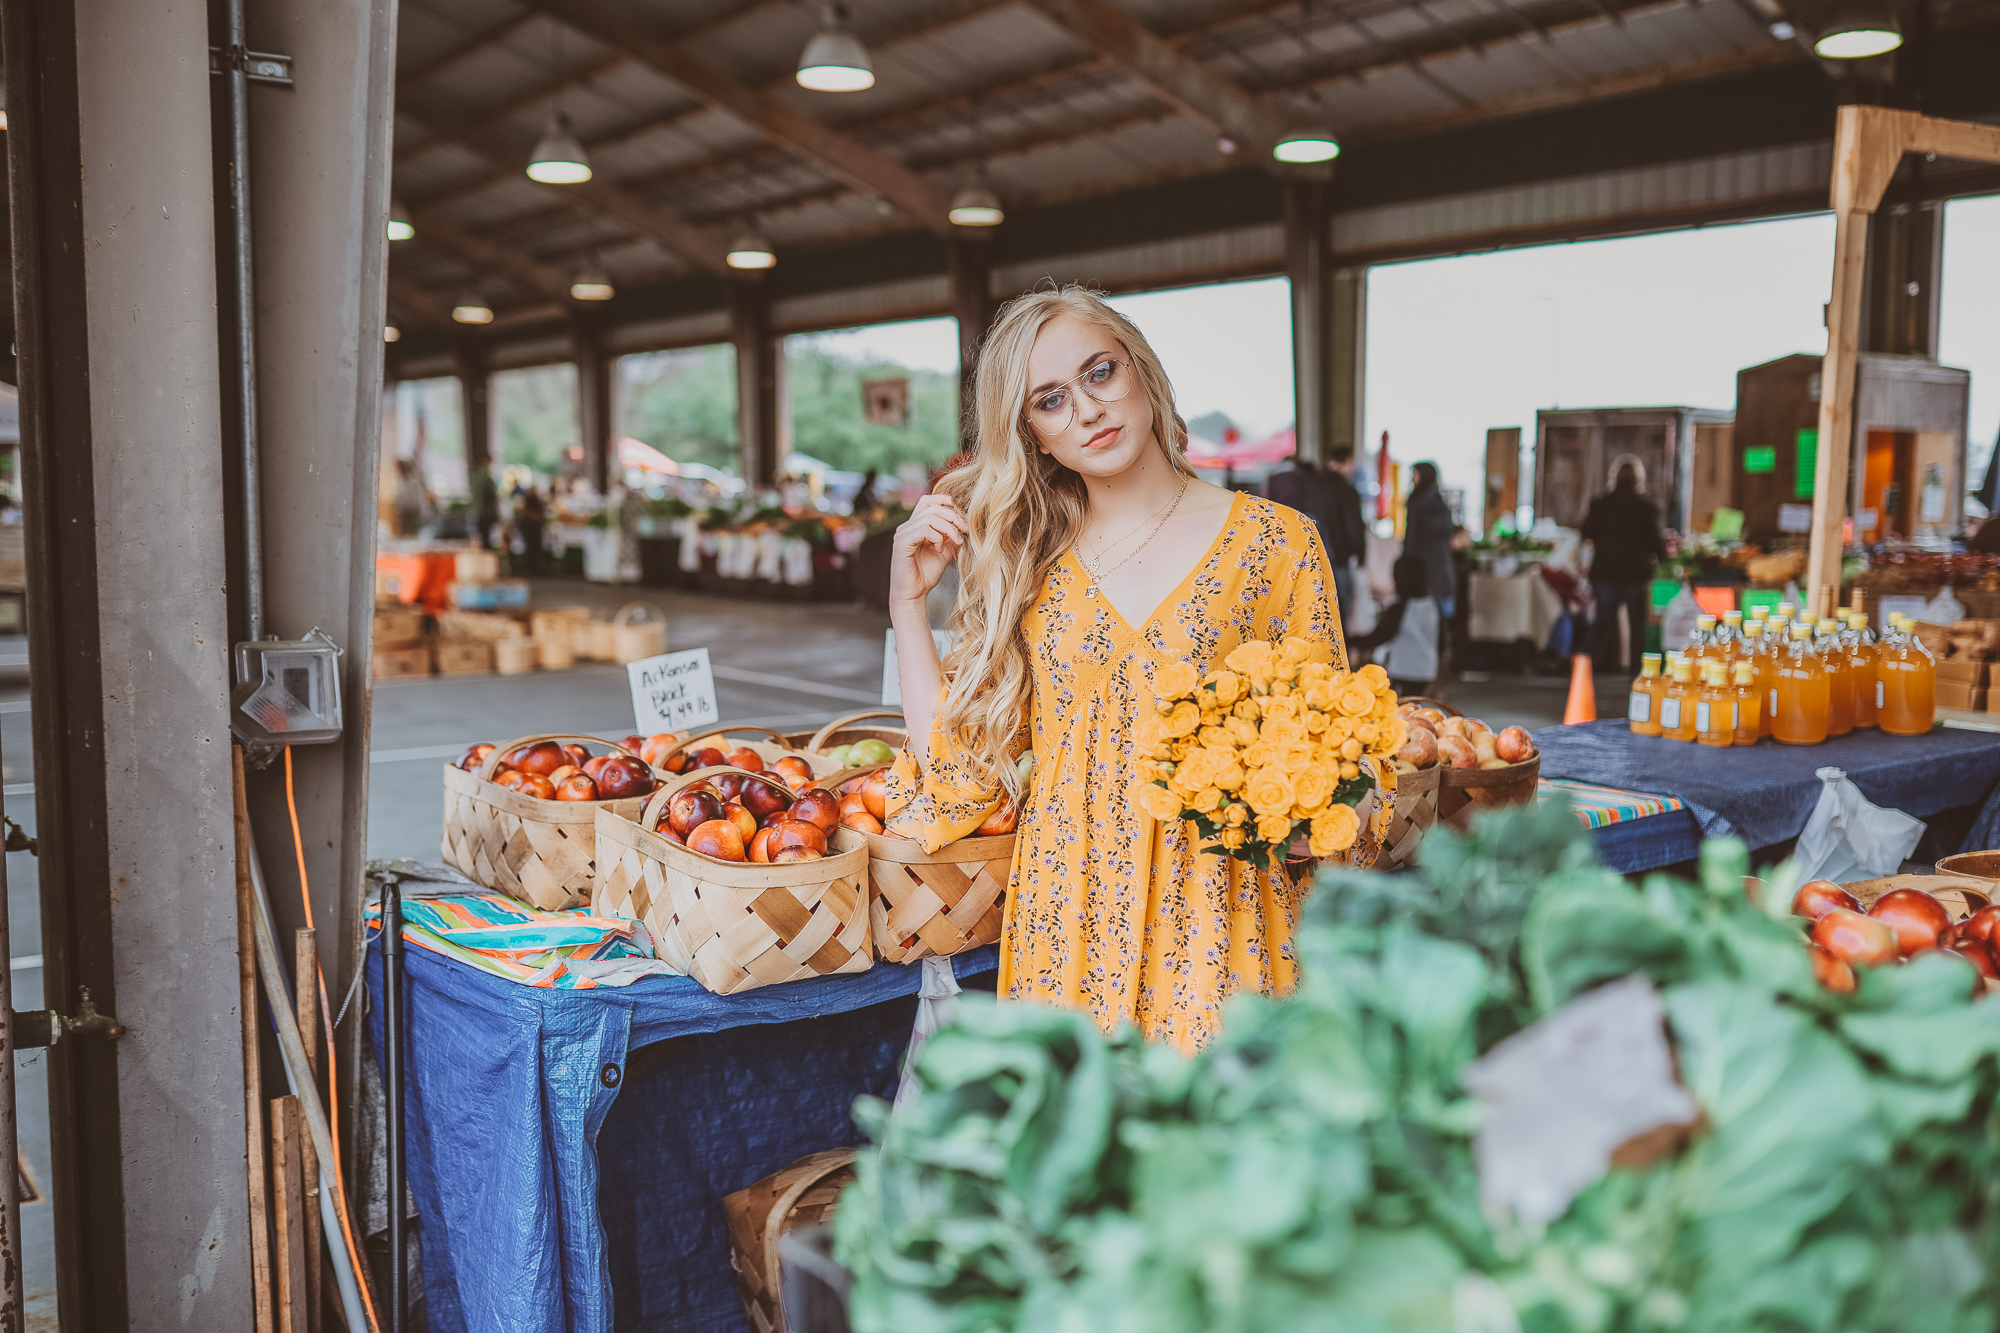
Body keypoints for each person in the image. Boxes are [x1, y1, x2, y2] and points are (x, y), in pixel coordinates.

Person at [887, 285, 1346, 1054]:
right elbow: (958, 774)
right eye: (1052, 401)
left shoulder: (1278, 543)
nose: (1088, 411)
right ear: (1031, 434)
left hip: (1222, 918)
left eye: (1100, 373)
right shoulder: (1030, 563)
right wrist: (907, 605)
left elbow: (1341, 756)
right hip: (1067, 931)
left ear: (1142, 372)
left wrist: (1313, 820)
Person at [1581, 460, 1668, 674]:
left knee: (1602, 622)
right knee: (1637, 626)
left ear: (1614, 477)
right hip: (1635, 573)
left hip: (1605, 572)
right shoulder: (1647, 506)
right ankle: (1637, 675)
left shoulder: (1599, 504)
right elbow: (1655, 541)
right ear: (1639, 479)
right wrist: (1666, 563)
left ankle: (1581, 667)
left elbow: (1586, 532)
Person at [1346, 555, 1439, 697]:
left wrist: (1347, 640)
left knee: (1401, 708)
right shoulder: (1432, 604)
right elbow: (1442, 640)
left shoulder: (1400, 608)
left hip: (1404, 670)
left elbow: (1377, 638)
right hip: (1427, 669)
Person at [1404, 463, 1457, 618]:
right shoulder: (1434, 500)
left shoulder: (1422, 502)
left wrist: (1406, 564)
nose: (1413, 478)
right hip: (1436, 570)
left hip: (1428, 571)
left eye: (1415, 474)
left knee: (1430, 620)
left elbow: (1413, 539)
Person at [1323, 445, 1369, 625]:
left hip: (1313, 559)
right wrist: (1361, 555)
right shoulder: (1347, 491)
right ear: (1348, 462)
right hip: (1340, 561)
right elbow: (1354, 528)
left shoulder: (1313, 487)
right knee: (1340, 616)